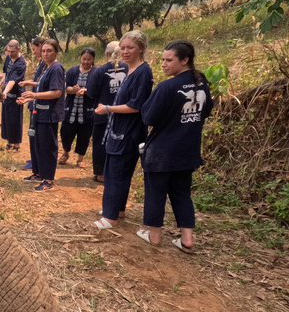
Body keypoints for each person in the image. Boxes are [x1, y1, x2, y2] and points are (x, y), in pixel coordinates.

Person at [136, 39, 214, 253]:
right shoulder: (201, 82)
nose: (163, 64)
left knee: (155, 193)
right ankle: (187, 239)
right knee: (182, 193)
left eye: (169, 60)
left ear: (185, 60)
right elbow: (206, 110)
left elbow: (148, 117)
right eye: (162, 59)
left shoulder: (167, 86)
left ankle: (154, 236)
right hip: (187, 150)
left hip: (161, 152)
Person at [91, 30, 153, 229]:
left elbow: (136, 106)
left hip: (129, 132)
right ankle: (118, 209)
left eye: (130, 48)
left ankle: (110, 217)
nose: (125, 52)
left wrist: (107, 108)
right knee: (116, 171)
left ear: (141, 48)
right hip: (120, 130)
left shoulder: (142, 72)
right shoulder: (130, 69)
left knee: (116, 172)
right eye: (123, 48)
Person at [20, 39, 65, 191]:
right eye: (44, 51)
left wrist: (35, 96)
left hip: (49, 115)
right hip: (40, 113)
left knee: (48, 147)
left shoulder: (57, 68)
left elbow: (56, 92)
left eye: (49, 51)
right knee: (39, 146)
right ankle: (40, 174)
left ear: (56, 52)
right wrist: (28, 97)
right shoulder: (46, 67)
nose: (45, 54)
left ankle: (49, 180)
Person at [86, 42, 128, 182]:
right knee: (120, 144)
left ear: (106, 54)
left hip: (102, 114)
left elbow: (91, 92)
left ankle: (101, 174)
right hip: (125, 115)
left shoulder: (100, 70)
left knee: (100, 143)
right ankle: (116, 174)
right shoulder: (130, 68)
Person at [59, 47, 96, 167]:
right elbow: (65, 88)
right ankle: (65, 153)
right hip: (71, 109)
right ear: (80, 58)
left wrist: (86, 91)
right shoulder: (72, 71)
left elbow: (97, 90)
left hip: (87, 110)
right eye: (84, 59)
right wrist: (73, 90)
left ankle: (80, 158)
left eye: (89, 59)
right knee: (66, 132)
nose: (85, 62)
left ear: (93, 59)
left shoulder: (96, 72)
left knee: (84, 135)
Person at [18, 37, 46, 171]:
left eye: (34, 50)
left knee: (37, 137)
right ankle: (34, 160)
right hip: (35, 102)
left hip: (41, 105)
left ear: (40, 46)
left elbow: (45, 85)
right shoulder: (41, 63)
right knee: (32, 135)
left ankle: (38, 163)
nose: (33, 53)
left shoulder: (49, 65)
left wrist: (29, 83)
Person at [0, 39, 26, 152]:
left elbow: (13, 81)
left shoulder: (21, 63)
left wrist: (5, 91)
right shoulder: (8, 58)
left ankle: (17, 145)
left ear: (18, 49)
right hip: (7, 95)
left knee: (15, 121)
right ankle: (9, 143)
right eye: (8, 51)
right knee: (6, 120)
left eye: (12, 52)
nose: (10, 54)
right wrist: (2, 80)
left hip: (16, 96)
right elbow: (6, 73)